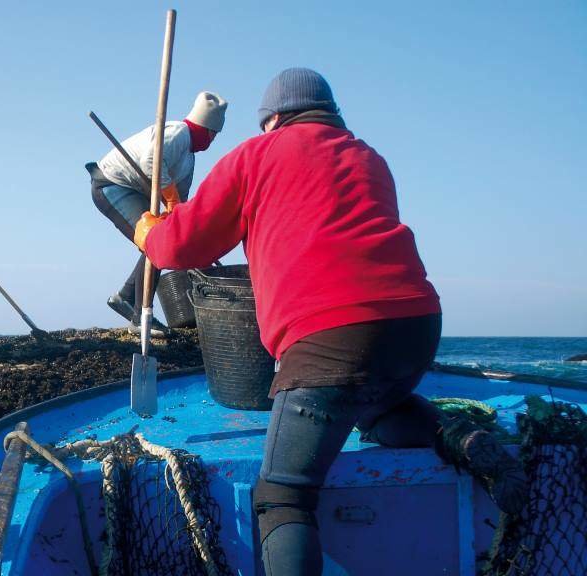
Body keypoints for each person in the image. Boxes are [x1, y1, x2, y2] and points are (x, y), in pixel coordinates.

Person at [134, 68, 527, 575]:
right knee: (377, 407)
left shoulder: (256, 155)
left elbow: (184, 246)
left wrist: (151, 232)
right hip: (414, 324)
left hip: (329, 339)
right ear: (331, 112)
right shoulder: (368, 158)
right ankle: (462, 440)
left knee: (282, 498)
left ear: (272, 119)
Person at [86, 91, 227, 336]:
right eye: (213, 135)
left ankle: (125, 298)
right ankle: (141, 317)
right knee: (154, 241)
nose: (212, 141)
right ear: (207, 130)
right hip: (112, 185)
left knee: (166, 238)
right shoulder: (177, 133)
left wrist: (185, 223)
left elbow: (179, 202)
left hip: (133, 191)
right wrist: (170, 197)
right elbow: (151, 162)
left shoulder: (189, 159)